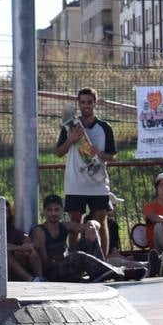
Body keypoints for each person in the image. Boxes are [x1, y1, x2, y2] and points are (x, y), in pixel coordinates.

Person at [54, 87, 117, 257]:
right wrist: (71, 140)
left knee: (100, 222)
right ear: (79, 104)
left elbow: (112, 156)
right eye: (82, 102)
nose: (86, 105)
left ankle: (103, 261)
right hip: (75, 183)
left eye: (89, 102)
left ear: (95, 103)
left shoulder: (105, 127)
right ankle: (74, 261)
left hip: (98, 182)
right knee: (75, 223)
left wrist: (99, 154)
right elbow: (59, 152)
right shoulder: (70, 126)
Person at [31, 194, 144, 283]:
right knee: (78, 255)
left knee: (90, 235)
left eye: (56, 210)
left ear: (61, 210)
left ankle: (102, 272)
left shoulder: (65, 226)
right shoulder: (39, 231)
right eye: (50, 210)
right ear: (44, 211)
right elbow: (44, 263)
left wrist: (91, 224)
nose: (53, 213)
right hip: (54, 273)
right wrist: (63, 259)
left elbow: (96, 225)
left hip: (69, 264)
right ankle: (121, 272)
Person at [5, 201, 43, 282]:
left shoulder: (11, 230)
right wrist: (19, 248)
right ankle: (30, 279)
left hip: (14, 267)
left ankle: (40, 278)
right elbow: (1, 247)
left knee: (31, 251)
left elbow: (34, 243)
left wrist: (30, 245)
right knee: (5, 255)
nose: (3, 215)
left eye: (6, 212)